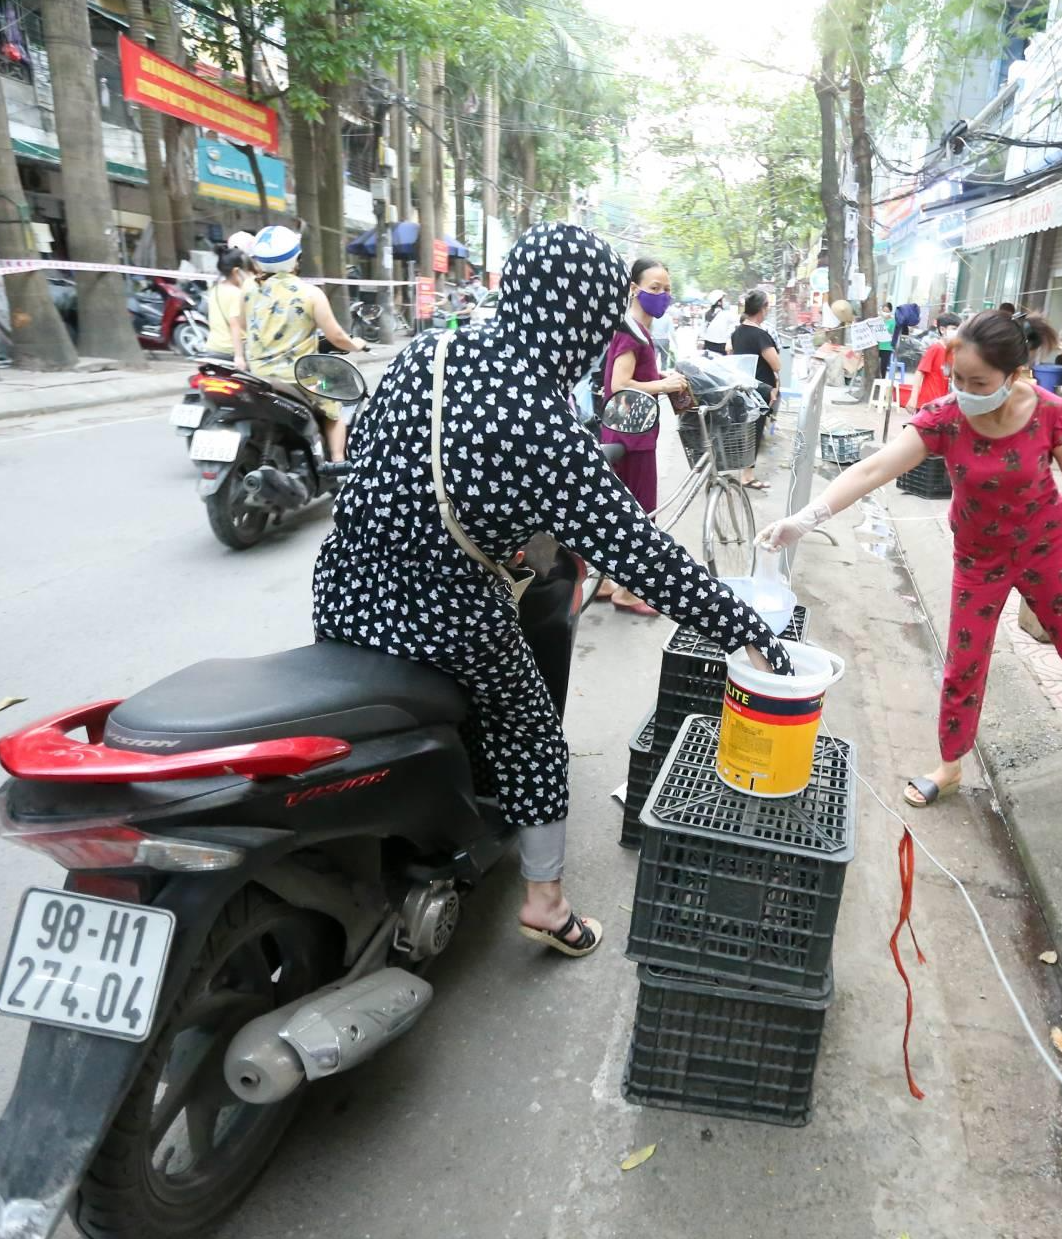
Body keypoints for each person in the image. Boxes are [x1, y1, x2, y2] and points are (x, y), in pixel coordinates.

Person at [312, 224, 792, 958]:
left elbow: (370, 444)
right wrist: (742, 626)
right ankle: (545, 902)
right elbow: (641, 555)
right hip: (441, 610)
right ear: (583, 317)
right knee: (531, 731)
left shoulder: (428, 352)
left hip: (343, 587)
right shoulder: (540, 421)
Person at [758, 309, 1062, 805]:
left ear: (1014, 374)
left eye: (978, 380)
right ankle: (949, 766)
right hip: (979, 558)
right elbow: (873, 469)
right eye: (957, 377)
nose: (964, 388)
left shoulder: (1052, 412)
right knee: (964, 664)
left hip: (1047, 550)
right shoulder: (944, 417)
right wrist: (806, 518)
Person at [596, 258, 692, 615]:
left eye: (667, 289)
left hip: (626, 432)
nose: (662, 295)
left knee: (619, 510)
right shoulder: (630, 331)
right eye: (655, 288)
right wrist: (663, 384)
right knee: (642, 513)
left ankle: (607, 581)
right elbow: (619, 385)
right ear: (634, 289)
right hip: (632, 436)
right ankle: (627, 591)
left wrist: (659, 376)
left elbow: (634, 375)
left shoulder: (639, 329)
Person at [243, 224, 369, 462]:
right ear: (296, 258)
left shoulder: (248, 289)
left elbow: (242, 326)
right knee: (336, 408)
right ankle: (339, 463)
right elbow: (337, 337)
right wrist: (357, 344)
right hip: (299, 376)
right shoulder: (309, 293)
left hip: (259, 375)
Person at [729, 289, 782, 491]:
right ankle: (747, 476)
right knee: (755, 431)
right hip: (760, 390)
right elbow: (777, 365)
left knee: (746, 430)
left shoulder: (737, 332)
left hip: (744, 386)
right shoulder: (760, 335)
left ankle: (745, 472)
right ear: (762, 309)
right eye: (767, 306)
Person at [203, 247, 250, 369]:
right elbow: (235, 324)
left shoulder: (215, 289)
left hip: (213, 346)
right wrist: (239, 356)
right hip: (232, 349)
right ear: (236, 271)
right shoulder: (237, 293)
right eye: (247, 271)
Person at [913, 312, 961, 408]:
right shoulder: (935, 348)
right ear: (942, 329)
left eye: (958, 330)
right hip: (928, 402)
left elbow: (949, 375)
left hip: (941, 402)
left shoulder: (951, 352)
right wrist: (913, 398)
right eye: (954, 329)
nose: (956, 333)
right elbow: (920, 372)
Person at [701, 290, 736, 355]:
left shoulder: (706, 313)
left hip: (708, 344)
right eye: (724, 299)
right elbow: (735, 325)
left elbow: (702, 330)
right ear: (719, 302)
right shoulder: (727, 314)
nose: (725, 301)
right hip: (721, 346)